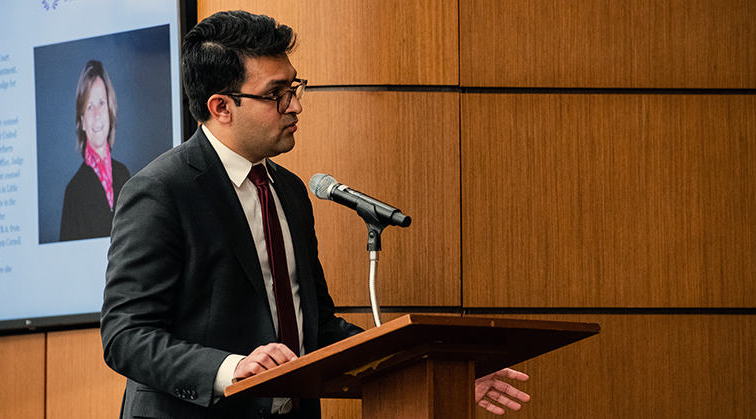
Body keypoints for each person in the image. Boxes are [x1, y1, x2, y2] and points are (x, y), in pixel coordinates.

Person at [100, 10, 528, 419]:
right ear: (221, 107)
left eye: (294, 88)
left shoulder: (288, 191)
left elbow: (316, 326)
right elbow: (126, 336)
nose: (295, 106)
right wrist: (231, 368)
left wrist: (434, 372)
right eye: (275, 95)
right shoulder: (160, 191)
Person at [60, 60, 130, 242]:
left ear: (110, 111)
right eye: (89, 106)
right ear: (82, 120)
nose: (97, 114)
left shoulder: (124, 176)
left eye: (101, 103)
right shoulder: (74, 192)